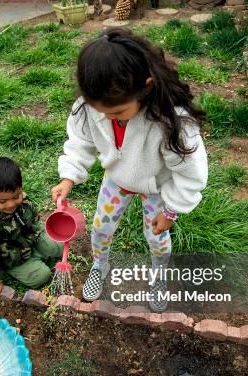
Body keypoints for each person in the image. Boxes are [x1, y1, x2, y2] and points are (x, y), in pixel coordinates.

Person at [50, 28, 208, 311]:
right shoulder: (89, 107)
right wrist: (68, 177)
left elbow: (189, 173)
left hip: (157, 186)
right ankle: (100, 265)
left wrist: (171, 210)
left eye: (118, 112)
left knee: (157, 238)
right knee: (101, 228)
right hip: (117, 180)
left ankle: (159, 277)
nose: (110, 117)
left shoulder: (171, 121)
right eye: (102, 112)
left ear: (146, 87)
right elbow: (80, 141)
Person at [0, 157, 63, 297]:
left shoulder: (24, 200)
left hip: (32, 240)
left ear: (20, 188)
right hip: (13, 259)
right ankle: (30, 264)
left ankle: (39, 254)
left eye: (16, 196)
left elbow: (34, 218)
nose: (10, 205)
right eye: (2, 201)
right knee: (42, 276)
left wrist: (40, 233)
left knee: (60, 246)